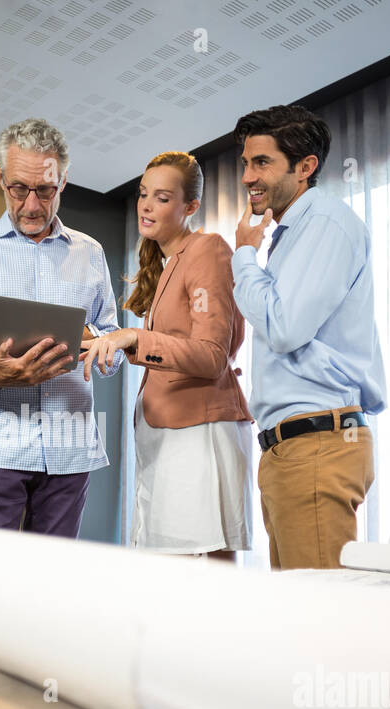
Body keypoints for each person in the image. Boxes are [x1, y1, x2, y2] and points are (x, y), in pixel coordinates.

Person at [0, 118, 124, 538]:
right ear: (2, 177)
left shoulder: (91, 252)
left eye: (46, 190)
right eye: (19, 189)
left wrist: (101, 346)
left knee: (52, 587)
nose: (32, 205)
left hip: (70, 447)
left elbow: (112, 343)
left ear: (63, 181)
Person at [229, 105, 387, 570]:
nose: (247, 177)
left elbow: (284, 327)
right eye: (245, 163)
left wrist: (243, 256)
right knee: (299, 615)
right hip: (293, 448)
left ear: (306, 167)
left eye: (262, 162)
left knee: (322, 620)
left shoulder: (325, 223)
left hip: (317, 445)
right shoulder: (292, 234)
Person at [80, 152, 255, 559]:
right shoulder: (167, 263)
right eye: (143, 194)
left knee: (206, 575)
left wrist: (134, 338)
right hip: (164, 433)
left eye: (161, 197)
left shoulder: (207, 250)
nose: (145, 205)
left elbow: (212, 356)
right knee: (166, 573)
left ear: (189, 207)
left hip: (198, 432)